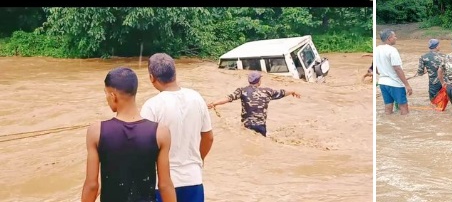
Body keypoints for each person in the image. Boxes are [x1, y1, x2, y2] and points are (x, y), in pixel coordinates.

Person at [81, 67, 177, 202]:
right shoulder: (160, 132)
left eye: (106, 94)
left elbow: (92, 185)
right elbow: (165, 185)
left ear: (113, 96)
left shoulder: (96, 131)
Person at [140, 54, 213, 202]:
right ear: (175, 73)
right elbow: (209, 137)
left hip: (162, 182)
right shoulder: (197, 98)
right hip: (193, 178)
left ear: (152, 77)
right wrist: (199, 159)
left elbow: (143, 147)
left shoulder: (152, 106)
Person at [206, 71, 301, 137]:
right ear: (259, 81)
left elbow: (228, 98)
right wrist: (293, 91)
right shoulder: (267, 91)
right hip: (261, 126)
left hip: (247, 126)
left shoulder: (242, 91)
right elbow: (282, 93)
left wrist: (214, 103)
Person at [375, 29, 412, 114]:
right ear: (389, 38)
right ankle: (405, 125)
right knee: (403, 106)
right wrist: (407, 85)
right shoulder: (392, 50)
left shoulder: (377, 49)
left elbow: (376, 69)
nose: (396, 38)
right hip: (395, 83)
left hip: (383, 83)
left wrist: (384, 72)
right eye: (394, 36)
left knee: (388, 106)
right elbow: (397, 68)